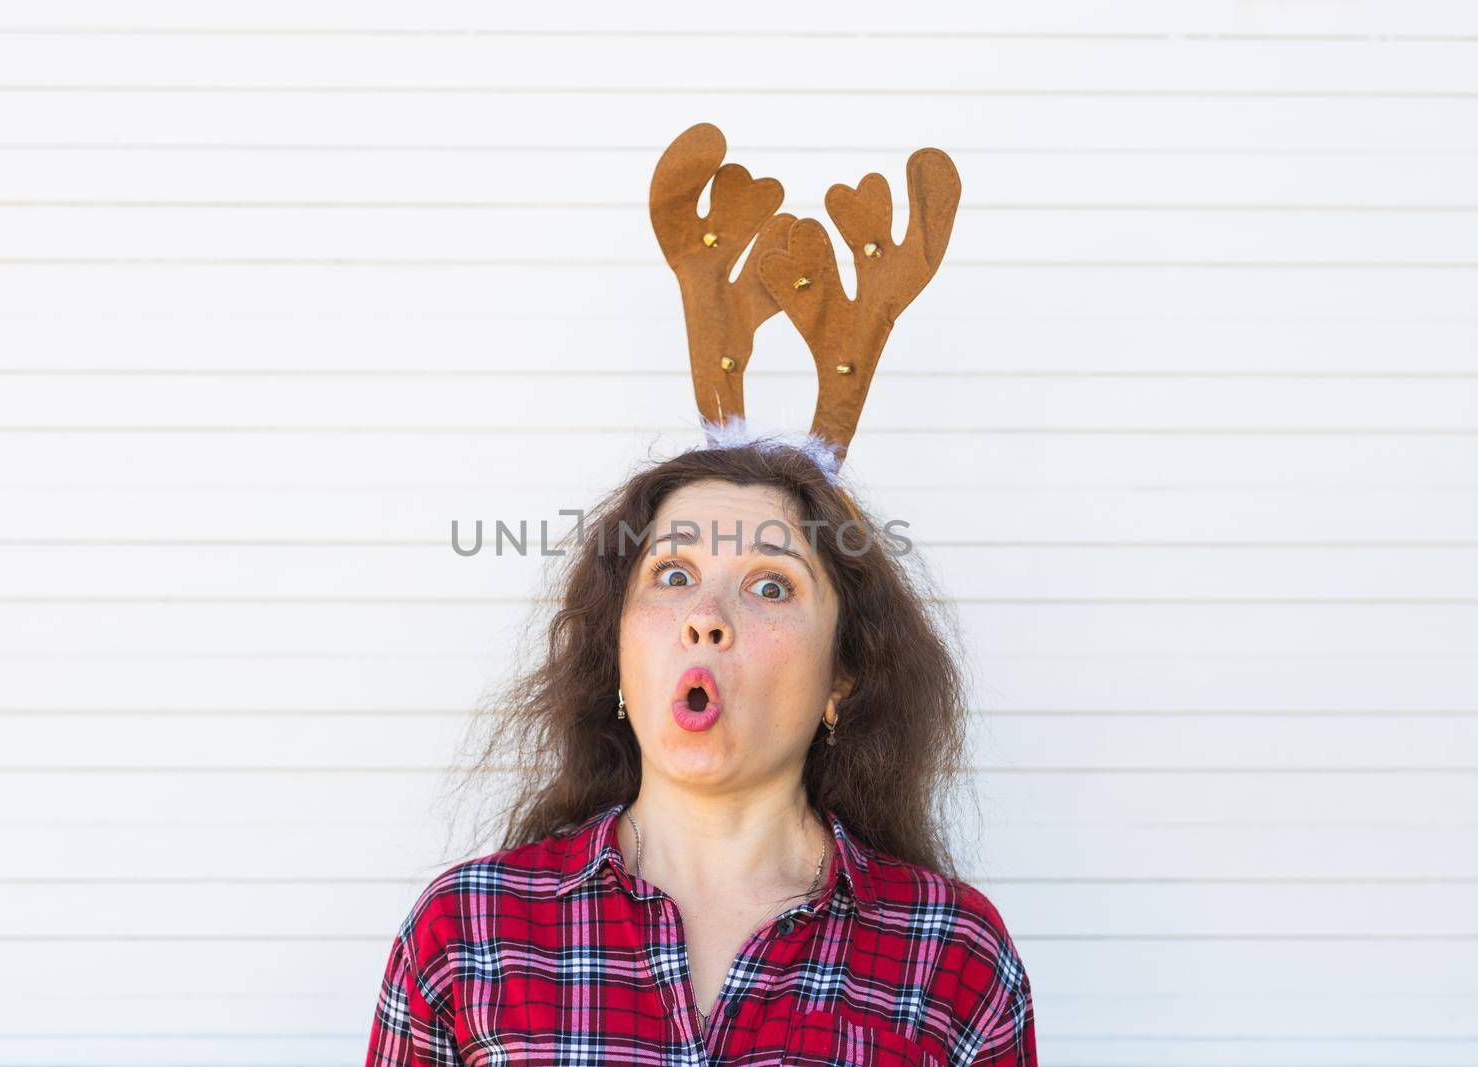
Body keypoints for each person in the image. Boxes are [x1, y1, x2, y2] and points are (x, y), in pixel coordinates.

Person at [364, 121, 1036, 1065]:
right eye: (673, 572)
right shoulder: (466, 936)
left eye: (770, 583)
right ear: (616, 652)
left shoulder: (952, 959)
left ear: (846, 673)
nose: (707, 614)